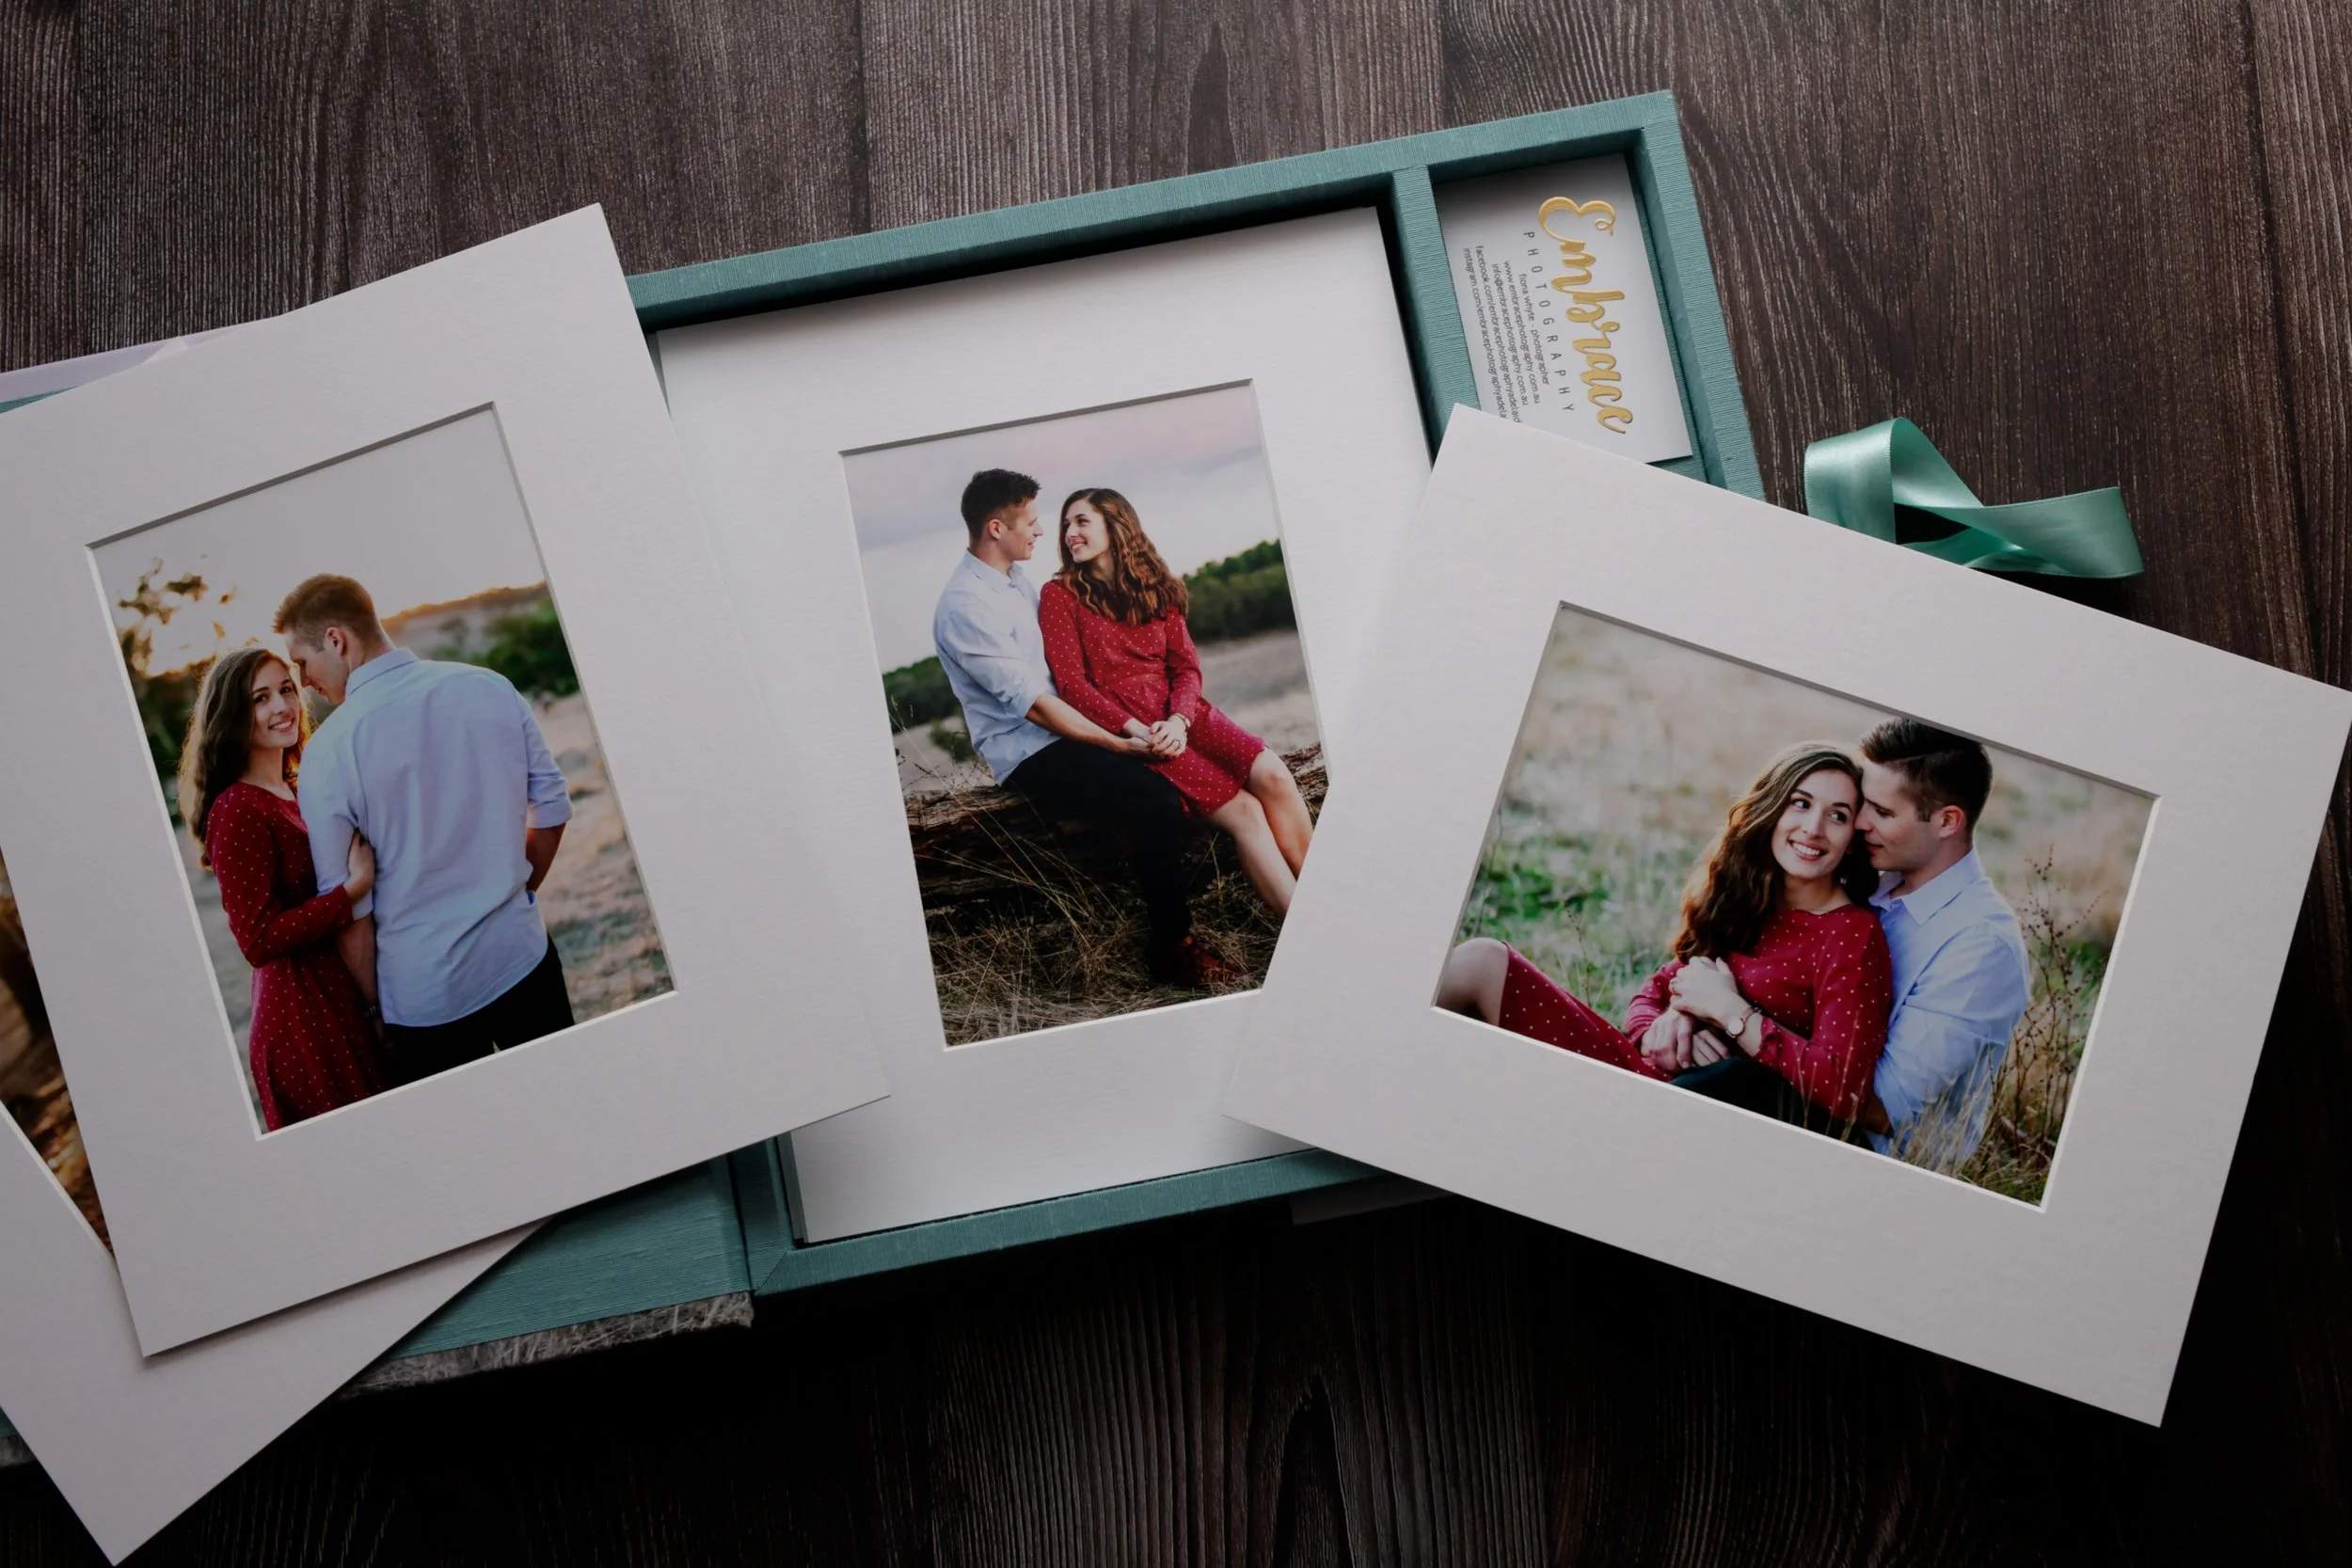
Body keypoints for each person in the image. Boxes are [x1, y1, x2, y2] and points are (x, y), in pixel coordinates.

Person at [1437, 743, 1894, 1127]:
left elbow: (1842, 1090)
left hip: (1670, 1116)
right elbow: (1655, 989)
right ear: (1771, 809)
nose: (1813, 829)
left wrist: (1728, 1011)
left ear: (1852, 838)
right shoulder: (1755, 895)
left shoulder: (1851, 934)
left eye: (1837, 815)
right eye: (1800, 803)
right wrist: (1667, 1024)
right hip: (1644, 1072)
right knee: (1483, 961)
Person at [930, 469, 1231, 989]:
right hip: (1032, 750)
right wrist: (1119, 744)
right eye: (1032, 521)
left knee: (1170, 782)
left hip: (1076, 728)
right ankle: (1174, 947)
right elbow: (1038, 708)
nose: (1042, 532)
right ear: (997, 528)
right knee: (1154, 802)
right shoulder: (965, 606)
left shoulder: (1016, 583)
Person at [276, 574, 577, 1087]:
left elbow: (349, 911)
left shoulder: (327, 755)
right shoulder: (487, 685)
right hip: (523, 958)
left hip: (426, 1004)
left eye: (302, 663)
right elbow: (550, 808)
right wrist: (513, 894)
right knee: (575, 1111)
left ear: (335, 640)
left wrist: (375, 1012)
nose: (304, 682)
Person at [1039, 488, 1312, 916]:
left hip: (1184, 715)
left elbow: (1186, 667)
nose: (1069, 532)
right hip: (1135, 730)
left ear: (1116, 525)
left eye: (1081, 521)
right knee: (1246, 811)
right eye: (1066, 524)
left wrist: (1181, 719)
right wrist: (1137, 732)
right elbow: (1073, 688)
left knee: (1275, 776)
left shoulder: (1159, 587)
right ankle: (1309, 927)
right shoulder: (1060, 596)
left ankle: (1328, 898)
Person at [176, 645, 386, 1129]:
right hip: (303, 1017)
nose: (281, 707)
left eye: (286, 690)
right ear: (231, 715)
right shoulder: (237, 809)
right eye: (260, 698)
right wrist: (349, 893)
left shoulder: (296, 787)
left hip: (340, 993)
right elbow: (257, 939)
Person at [1849, 720, 2032, 1164]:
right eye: (1862, 803)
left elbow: (1881, 1109)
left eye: (1883, 812)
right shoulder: (1865, 880)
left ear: (1947, 821)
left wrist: (1738, 1023)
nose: (1858, 822)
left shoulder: (1982, 946)